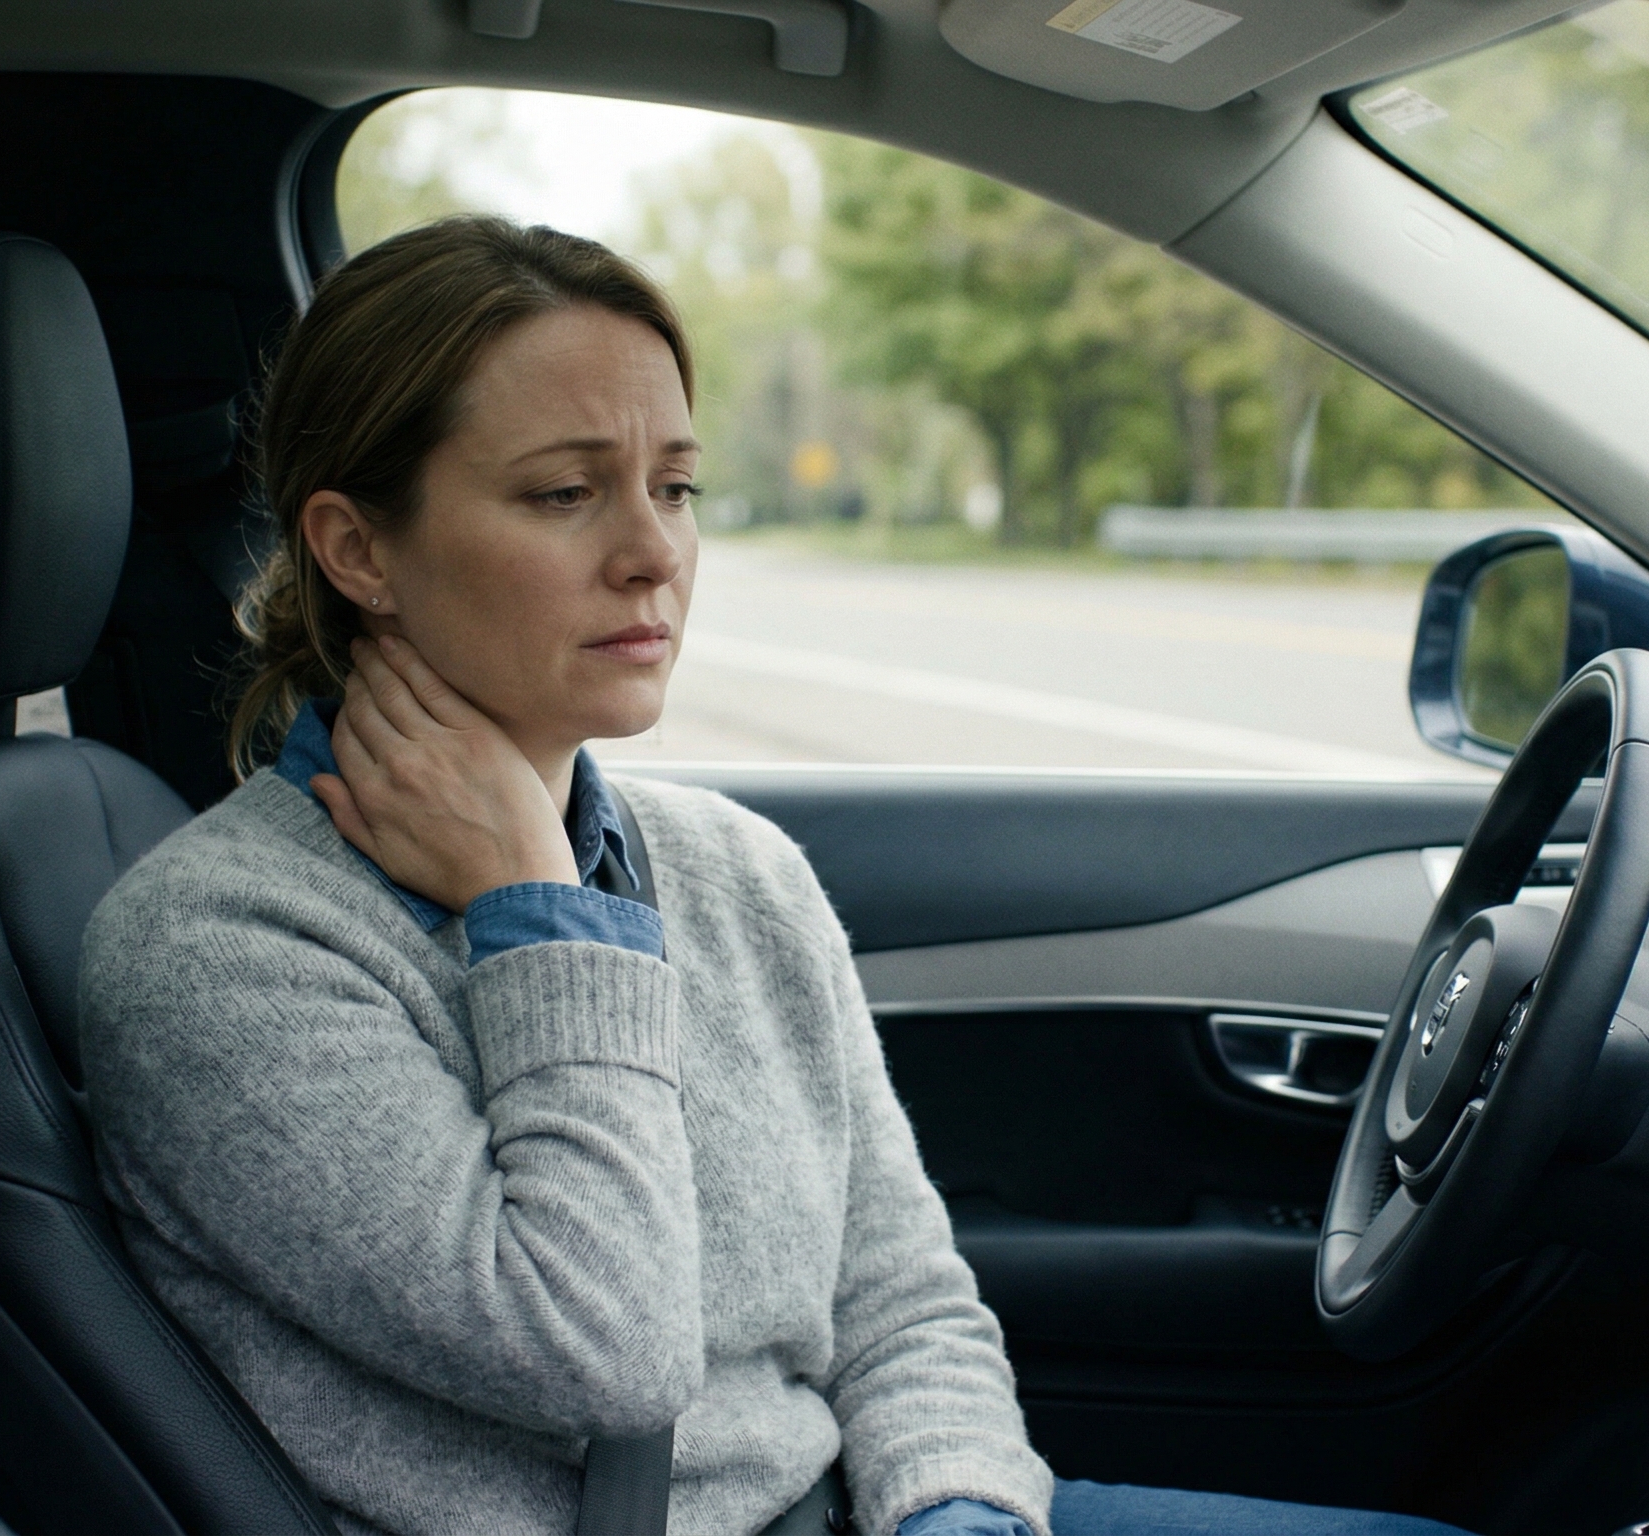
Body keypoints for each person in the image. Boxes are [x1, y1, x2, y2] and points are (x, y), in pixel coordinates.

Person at [78, 214, 1472, 1536]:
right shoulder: (218, 949)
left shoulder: (735, 871)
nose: (653, 556)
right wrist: (537, 909)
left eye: (675, 486)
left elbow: (903, 1296)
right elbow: (606, 1354)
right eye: (565, 494)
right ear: (358, 548)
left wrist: (960, 1511)